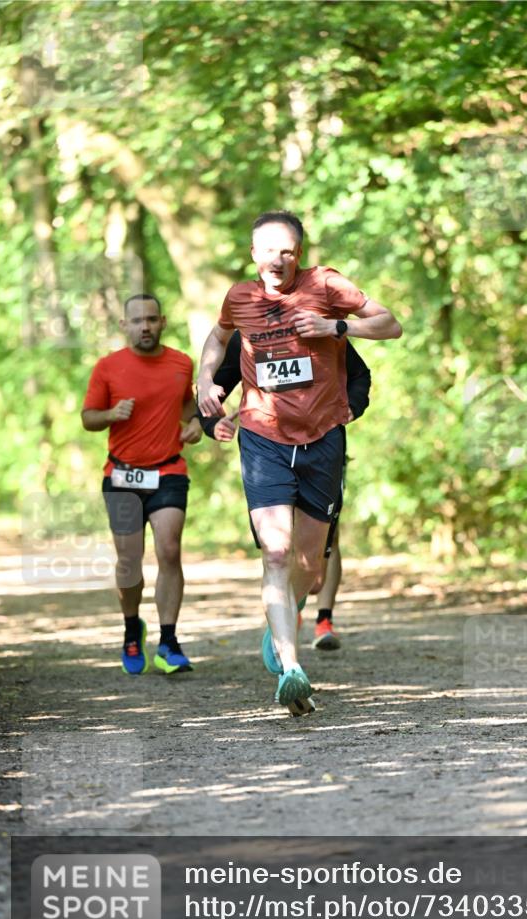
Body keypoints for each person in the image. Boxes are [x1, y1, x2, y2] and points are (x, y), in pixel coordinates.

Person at [197, 211, 401, 716]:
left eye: (287, 250)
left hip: (322, 438)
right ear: (253, 255)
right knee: (275, 552)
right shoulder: (240, 297)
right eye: (267, 249)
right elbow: (218, 338)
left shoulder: (326, 285)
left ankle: (289, 612)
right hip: (263, 436)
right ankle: (291, 667)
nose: (277, 259)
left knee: (310, 569)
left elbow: (391, 324)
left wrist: (336, 325)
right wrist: (205, 383)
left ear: (299, 255)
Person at [197, 329, 372, 651]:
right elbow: (213, 390)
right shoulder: (246, 335)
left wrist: (353, 406)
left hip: (322, 449)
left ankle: (296, 604)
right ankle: (283, 632)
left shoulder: (319, 330)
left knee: (313, 566)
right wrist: (211, 423)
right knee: (277, 550)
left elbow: (359, 374)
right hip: (267, 452)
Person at [81, 293, 202, 675]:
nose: (145, 326)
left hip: (168, 470)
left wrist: (197, 424)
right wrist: (111, 413)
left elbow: (188, 407)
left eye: (151, 319)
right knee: (129, 561)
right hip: (121, 476)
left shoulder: (182, 363)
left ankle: (169, 641)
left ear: (163, 322)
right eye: (137, 321)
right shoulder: (108, 367)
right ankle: (132, 629)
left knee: (169, 550)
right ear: (124, 325)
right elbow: (88, 418)